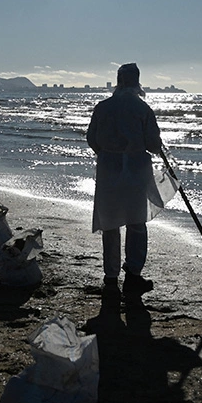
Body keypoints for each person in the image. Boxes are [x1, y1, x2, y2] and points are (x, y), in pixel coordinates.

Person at [86, 63, 166, 300]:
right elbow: (153, 144)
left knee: (110, 224)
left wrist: (108, 153)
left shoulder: (103, 108)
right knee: (136, 222)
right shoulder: (142, 109)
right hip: (136, 170)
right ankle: (133, 274)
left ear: (119, 81)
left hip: (108, 170)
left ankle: (111, 278)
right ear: (137, 83)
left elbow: (92, 139)